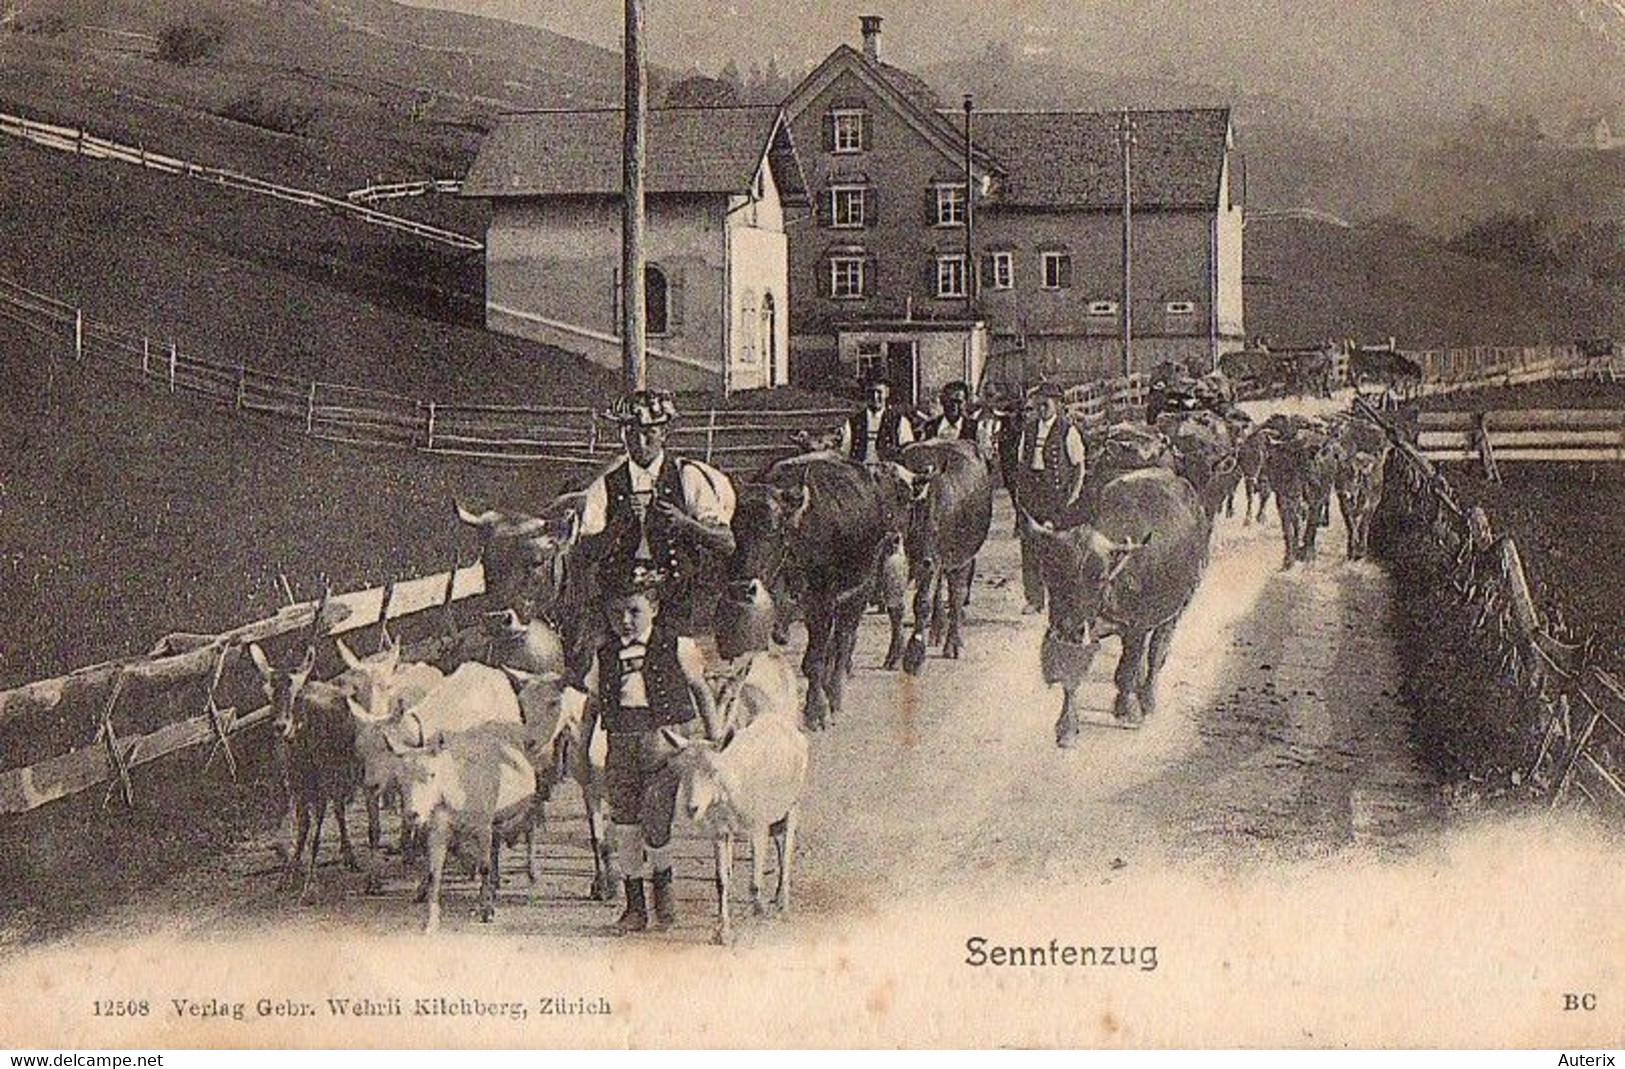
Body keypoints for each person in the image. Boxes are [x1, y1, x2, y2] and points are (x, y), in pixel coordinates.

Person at [575, 567, 722, 933]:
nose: (624, 621)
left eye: (633, 611)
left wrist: (714, 734)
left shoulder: (678, 646)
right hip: (620, 744)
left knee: (656, 823)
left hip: (663, 745)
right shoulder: (604, 654)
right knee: (624, 824)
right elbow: (592, 706)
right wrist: (581, 749)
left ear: (653, 607)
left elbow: (701, 691)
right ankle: (634, 907)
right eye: (616, 613)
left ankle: (665, 900)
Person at [577, 389, 736, 634]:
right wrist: (617, 525)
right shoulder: (605, 485)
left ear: (664, 433)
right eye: (630, 433)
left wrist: (685, 523)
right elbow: (584, 553)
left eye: (649, 433)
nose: (640, 443)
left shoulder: (687, 476)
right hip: (619, 604)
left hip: (678, 599)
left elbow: (726, 542)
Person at [1015, 382, 1087, 614]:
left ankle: (1060, 597)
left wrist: (1071, 497)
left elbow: (1078, 467)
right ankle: (1034, 599)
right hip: (1032, 492)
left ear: (1058, 404)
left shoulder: (1067, 430)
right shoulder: (1028, 429)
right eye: (1039, 401)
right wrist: (1021, 497)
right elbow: (1021, 462)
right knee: (1030, 547)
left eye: (1047, 401)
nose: (1042, 406)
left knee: (1056, 547)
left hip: (1055, 495)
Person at [837, 378, 914, 465]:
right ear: (865, 394)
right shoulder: (853, 423)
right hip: (859, 473)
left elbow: (909, 454)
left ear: (886, 393)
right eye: (870, 392)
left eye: (879, 392)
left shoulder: (900, 422)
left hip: (888, 475)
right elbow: (845, 453)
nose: (875, 397)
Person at [918, 380, 991, 454]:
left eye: (958, 402)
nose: (954, 406)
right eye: (949, 401)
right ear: (942, 401)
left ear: (965, 403)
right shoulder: (929, 427)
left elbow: (985, 457)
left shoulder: (976, 428)